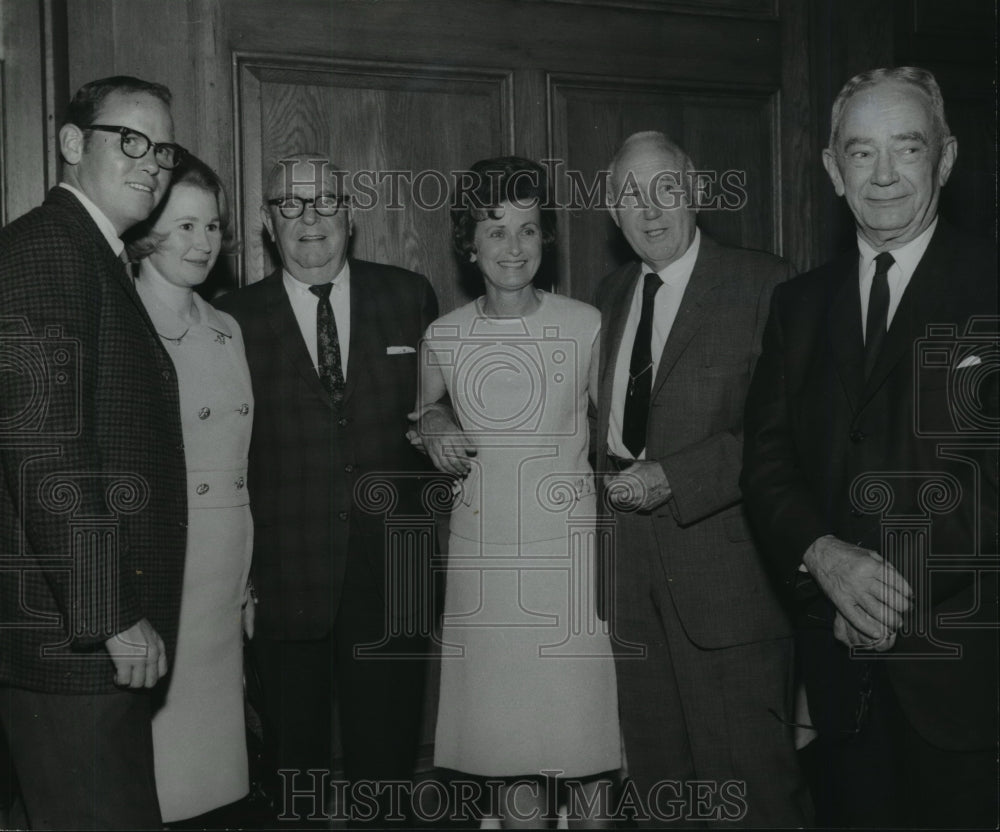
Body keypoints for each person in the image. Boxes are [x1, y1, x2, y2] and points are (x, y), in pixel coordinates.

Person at [742, 66, 998, 828]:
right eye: (861, 153)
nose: (883, 175)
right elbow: (767, 462)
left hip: (962, 679)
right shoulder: (798, 304)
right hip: (839, 678)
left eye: (907, 148)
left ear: (945, 159)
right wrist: (824, 557)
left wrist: (880, 595)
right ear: (831, 169)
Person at [215, 153, 437, 824]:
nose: (309, 219)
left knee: (387, 774)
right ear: (265, 221)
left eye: (324, 203)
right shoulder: (231, 319)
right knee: (295, 776)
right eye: (290, 204)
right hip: (283, 582)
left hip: (394, 576)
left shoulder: (409, 296)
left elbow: (439, 418)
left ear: (350, 213)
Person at [592, 131, 807, 827]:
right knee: (660, 788)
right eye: (631, 193)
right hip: (629, 579)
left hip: (727, 579)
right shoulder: (610, 293)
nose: (650, 209)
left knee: (750, 788)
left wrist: (676, 477)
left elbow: (785, 433)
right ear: (609, 207)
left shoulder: (762, 282)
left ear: (697, 193)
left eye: (666, 189)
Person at [0, 76, 187, 828]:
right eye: (130, 141)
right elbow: (46, 451)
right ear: (74, 144)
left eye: (163, 149)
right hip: (71, 643)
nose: (152, 162)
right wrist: (109, 613)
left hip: (76, 642)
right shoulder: (47, 250)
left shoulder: (91, 252)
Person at [413, 156, 620, 828]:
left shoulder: (585, 324)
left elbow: (616, 440)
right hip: (487, 566)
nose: (512, 247)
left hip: (570, 562)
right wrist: (436, 422)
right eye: (495, 230)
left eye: (528, 230)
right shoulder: (443, 335)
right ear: (468, 244)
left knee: (585, 742)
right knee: (510, 752)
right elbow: (424, 417)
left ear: (546, 240)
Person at [124, 154, 254, 823]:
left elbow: (241, 473)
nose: (204, 243)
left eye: (212, 226)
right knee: (161, 781)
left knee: (217, 785)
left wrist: (248, 584)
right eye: (184, 227)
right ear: (147, 231)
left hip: (223, 582)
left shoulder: (227, 329)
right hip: (164, 578)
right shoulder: (123, 325)